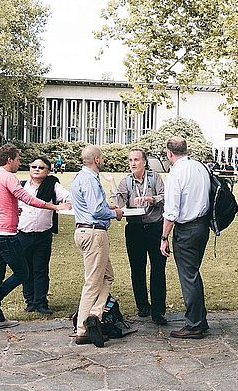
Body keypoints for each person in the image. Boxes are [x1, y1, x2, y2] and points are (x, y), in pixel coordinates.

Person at [0, 144, 69, 330]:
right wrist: (55, 207)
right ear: (10, 160)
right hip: (6, 235)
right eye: (18, 159)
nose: (20, 163)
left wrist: (6, 207)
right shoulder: (9, 178)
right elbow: (28, 199)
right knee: (23, 272)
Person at [70, 145, 124, 347]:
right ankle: (83, 329)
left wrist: (106, 206)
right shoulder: (91, 179)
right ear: (97, 160)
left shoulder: (78, 178)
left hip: (83, 231)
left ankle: (95, 314)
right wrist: (115, 213)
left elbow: (89, 205)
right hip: (94, 233)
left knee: (107, 276)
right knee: (93, 282)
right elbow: (96, 211)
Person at [161, 136, 213, 339]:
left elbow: (171, 211)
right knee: (193, 273)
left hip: (186, 228)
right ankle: (200, 318)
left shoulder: (175, 174)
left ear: (169, 153)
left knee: (188, 276)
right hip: (202, 225)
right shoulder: (200, 167)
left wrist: (164, 236)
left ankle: (194, 324)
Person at [116, 148, 168, 325]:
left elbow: (164, 196)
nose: (132, 163)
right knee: (137, 270)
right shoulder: (125, 182)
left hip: (155, 228)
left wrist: (150, 199)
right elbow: (120, 205)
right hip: (135, 230)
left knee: (158, 270)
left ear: (144, 162)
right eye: (130, 160)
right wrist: (115, 191)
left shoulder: (155, 178)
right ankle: (143, 306)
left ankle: (158, 311)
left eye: (136, 159)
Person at [17, 156, 70, 316]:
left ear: (48, 171)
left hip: (43, 236)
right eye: (34, 166)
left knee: (40, 269)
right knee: (26, 270)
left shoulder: (52, 185)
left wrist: (64, 204)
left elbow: (68, 197)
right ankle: (30, 301)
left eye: (41, 167)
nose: (37, 170)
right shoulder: (21, 186)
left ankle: (41, 302)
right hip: (23, 235)